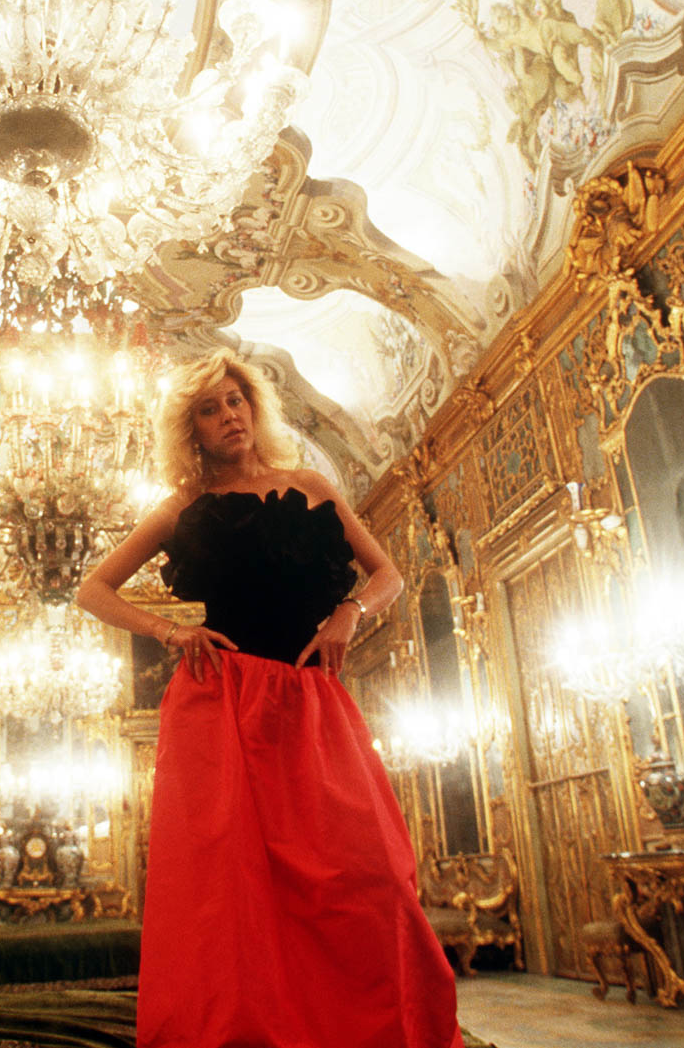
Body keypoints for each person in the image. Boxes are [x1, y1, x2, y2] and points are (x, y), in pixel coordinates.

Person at [76, 349, 462, 1048]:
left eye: (235, 400)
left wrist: (350, 612)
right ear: (191, 429)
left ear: (253, 407)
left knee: (368, 872)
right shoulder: (182, 507)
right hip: (219, 704)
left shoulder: (311, 485)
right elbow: (92, 589)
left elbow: (388, 573)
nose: (228, 415)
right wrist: (168, 630)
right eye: (209, 408)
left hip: (312, 703)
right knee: (231, 889)